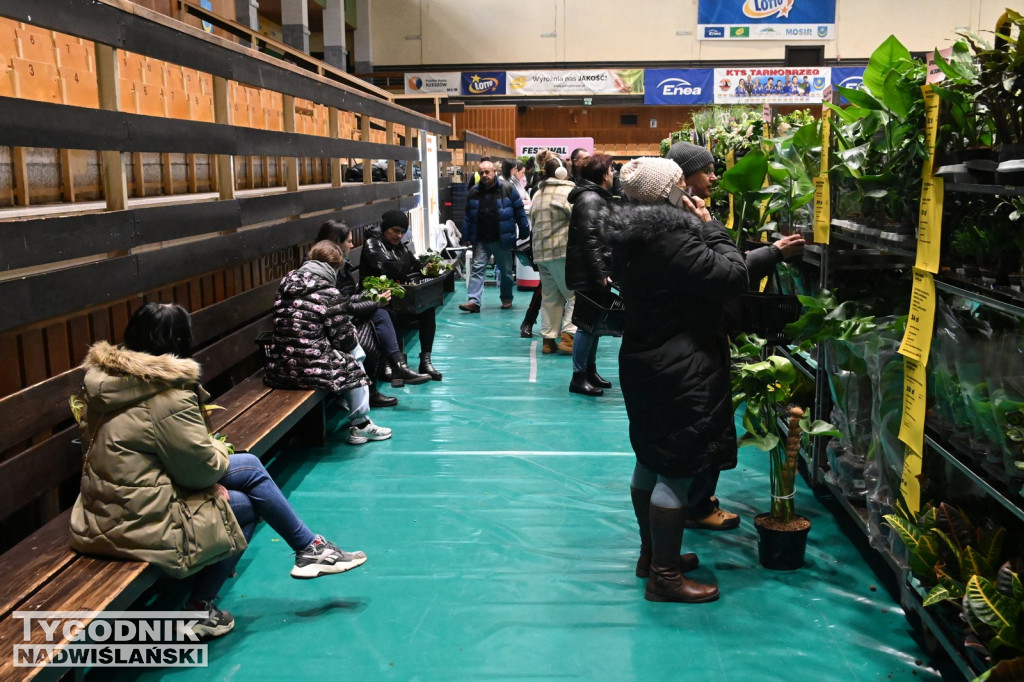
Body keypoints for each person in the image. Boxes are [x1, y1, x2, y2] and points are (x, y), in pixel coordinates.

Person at [69, 303, 367, 639]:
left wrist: (208, 475)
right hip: (138, 521)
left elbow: (156, 457)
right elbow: (200, 470)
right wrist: (211, 472)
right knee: (247, 504)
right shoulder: (166, 396)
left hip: (105, 509)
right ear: (180, 341)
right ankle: (204, 606)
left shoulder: (109, 381)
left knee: (250, 470)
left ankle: (308, 549)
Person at [607, 157, 748, 603]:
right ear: (669, 191)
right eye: (681, 182)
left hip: (646, 359)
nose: (689, 186)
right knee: (677, 467)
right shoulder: (673, 238)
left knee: (651, 458)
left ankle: (653, 555)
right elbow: (732, 275)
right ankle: (664, 577)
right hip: (679, 366)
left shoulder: (635, 233)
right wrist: (710, 228)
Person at [667, 141, 805, 531]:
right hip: (695, 344)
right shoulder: (687, 221)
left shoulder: (669, 219)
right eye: (707, 170)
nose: (714, 176)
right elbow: (726, 274)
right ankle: (695, 507)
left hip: (684, 343)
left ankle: (694, 502)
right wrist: (772, 252)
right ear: (683, 176)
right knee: (704, 425)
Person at [265, 240, 393, 445]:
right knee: (354, 360)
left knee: (347, 354)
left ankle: (348, 403)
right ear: (333, 267)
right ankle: (361, 425)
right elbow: (345, 340)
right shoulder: (329, 293)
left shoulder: (286, 283)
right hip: (308, 368)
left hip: (279, 366)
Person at [316, 220, 429, 403]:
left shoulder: (336, 266)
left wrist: (374, 300)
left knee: (385, 314)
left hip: (337, 320)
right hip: (327, 330)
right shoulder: (325, 270)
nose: (352, 245)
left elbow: (346, 301)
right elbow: (346, 306)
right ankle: (392, 370)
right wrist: (375, 302)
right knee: (376, 323)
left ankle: (394, 368)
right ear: (336, 242)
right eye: (349, 241)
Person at [361, 209, 444, 381]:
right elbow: (386, 267)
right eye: (395, 231)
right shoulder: (373, 243)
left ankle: (425, 360)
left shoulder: (400, 248)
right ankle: (396, 364)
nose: (399, 235)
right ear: (386, 228)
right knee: (393, 311)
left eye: (402, 232)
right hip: (376, 298)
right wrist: (407, 269)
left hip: (397, 296)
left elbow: (414, 265)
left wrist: (426, 266)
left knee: (428, 309)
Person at [565, 153, 617, 396]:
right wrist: (600, 273)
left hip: (592, 273)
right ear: (603, 174)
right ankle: (578, 377)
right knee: (586, 325)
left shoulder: (594, 197)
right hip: (589, 275)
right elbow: (589, 240)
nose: (614, 174)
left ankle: (589, 371)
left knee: (594, 324)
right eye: (612, 169)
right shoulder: (590, 199)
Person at [459, 158, 531, 313]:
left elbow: (519, 211)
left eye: (487, 172)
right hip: (481, 239)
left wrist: (525, 230)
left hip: (502, 239)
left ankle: (506, 298)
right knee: (477, 268)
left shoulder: (508, 188)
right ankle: (474, 301)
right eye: (481, 173)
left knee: (505, 272)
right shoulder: (474, 192)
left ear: (494, 172)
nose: (484, 175)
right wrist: (465, 235)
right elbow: (468, 217)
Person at [529, 153, 578, 355]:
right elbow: (579, 218)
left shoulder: (537, 194)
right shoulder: (570, 193)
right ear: (563, 172)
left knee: (550, 297)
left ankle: (549, 340)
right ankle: (568, 337)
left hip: (541, 253)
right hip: (563, 251)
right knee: (575, 295)